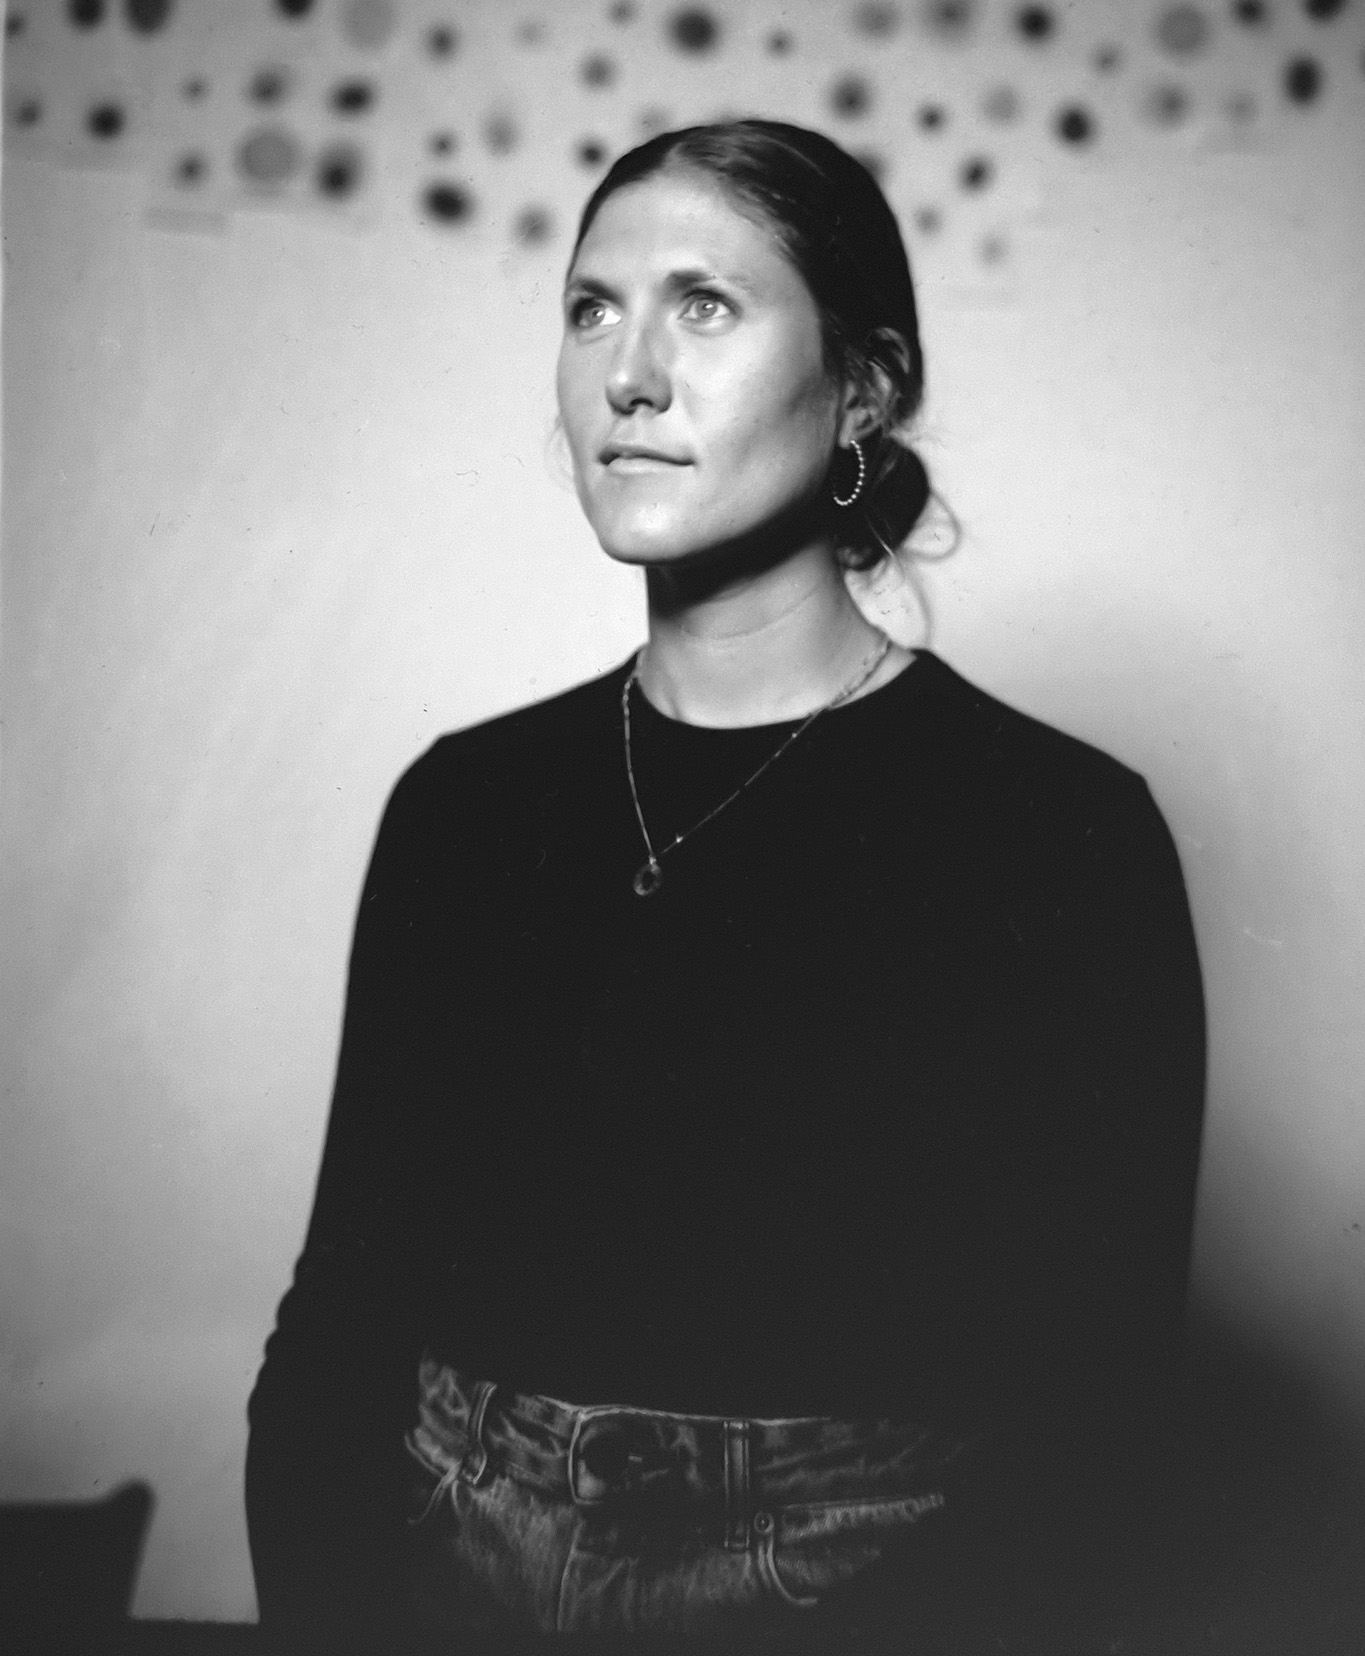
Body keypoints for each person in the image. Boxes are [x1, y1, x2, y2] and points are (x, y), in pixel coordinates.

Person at [245, 119, 1207, 1653]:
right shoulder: (461, 804)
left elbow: (1093, 1418)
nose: (626, 375)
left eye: (703, 304)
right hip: (441, 1569)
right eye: (590, 308)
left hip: (853, 1595)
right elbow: (338, 1325)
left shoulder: (1057, 832)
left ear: (863, 387)